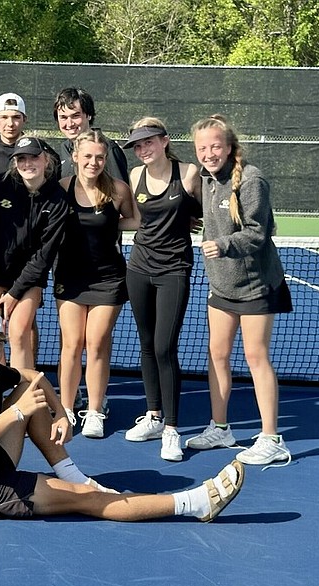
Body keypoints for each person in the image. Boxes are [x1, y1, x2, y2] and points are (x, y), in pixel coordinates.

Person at [0, 305, 245, 522]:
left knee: (31, 393)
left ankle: (71, 473)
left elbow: (32, 376)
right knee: (88, 499)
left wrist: (58, 413)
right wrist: (16, 413)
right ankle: (196, 503)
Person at [185, 115, 293, 467]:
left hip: (256, 285)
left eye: (215, 146)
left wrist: (223, 244)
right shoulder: (207, 180)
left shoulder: (251, 180)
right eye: (202, 148)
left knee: (256, 357)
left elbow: (258, 233)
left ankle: (272, 439)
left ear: (229, 147)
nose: (209, 153)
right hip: (222, 285)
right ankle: (220, 428)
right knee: (216, 355)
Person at [121, 117, 202, 462]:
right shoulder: (135, 176)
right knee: (146, 344)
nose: (143, 150)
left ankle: (171, 430)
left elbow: (204, 211)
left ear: (165, 140)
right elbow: (137, 219)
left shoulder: (188, 174)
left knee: (165, 347)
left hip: (174, 271)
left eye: (149, 142)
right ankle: (153, 416)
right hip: (138, 268)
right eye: (138, 145)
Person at [53, 130, 134, 438]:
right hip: (70, 279)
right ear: (75, 156)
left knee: (97, 343)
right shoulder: (61, 187)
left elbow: (135, 220)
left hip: (108, 278)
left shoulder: (118, 189)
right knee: (72, 344)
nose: (94, 162)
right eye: (87, 156)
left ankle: (96, 411)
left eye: (99, 157)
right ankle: (67, 408)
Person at [0, 137, 69, 371]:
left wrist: (14, 293)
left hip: (30, 276)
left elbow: (45, 254)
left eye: (34, 157)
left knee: (18, 333)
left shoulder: (58, 199)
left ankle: (23, 397)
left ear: (46, 159)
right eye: (21, 158)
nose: (28, 163)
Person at [52, 87, 128, 182]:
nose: (69, 123)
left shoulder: (109, 148)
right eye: (63, 117)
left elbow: (121, 192)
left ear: (88, 115)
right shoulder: (64, 148)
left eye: (75, 116)